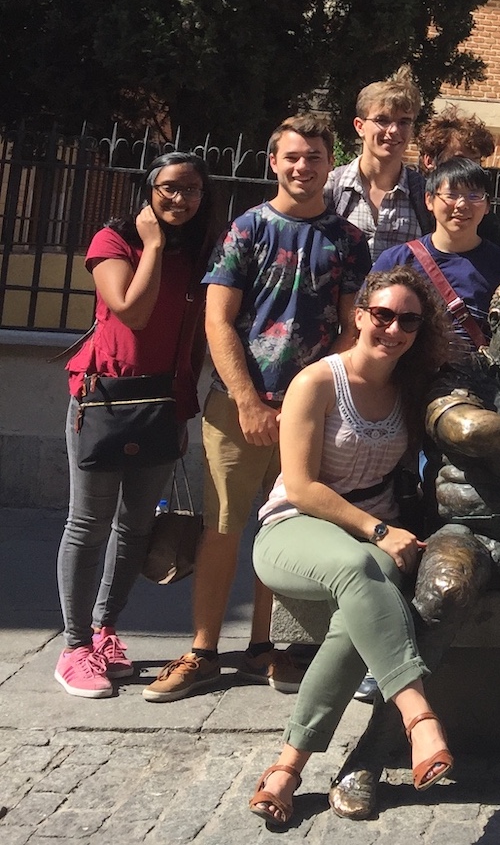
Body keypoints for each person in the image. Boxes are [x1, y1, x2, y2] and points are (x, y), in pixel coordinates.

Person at [328, 276, 500, 820]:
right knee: (442, 591)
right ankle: (377, 745)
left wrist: (496, 462)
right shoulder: (463, 372)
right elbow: (461, 427)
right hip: (465, 530)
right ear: (497, 325)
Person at [147, 114, 373, 703]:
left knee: (289, 528)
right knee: (223, 528)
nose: (304, 166)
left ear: (331, 164)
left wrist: (312, 398)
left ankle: (265, 647)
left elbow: (352, 325)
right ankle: (201, 649)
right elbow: (217, 319)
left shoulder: (348, 240)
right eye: (292, 156)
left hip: (311, 411)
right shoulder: (247, 229)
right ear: (274, 162)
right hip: (238, 405)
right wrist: (247, 398)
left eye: (315, 156)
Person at [246, 266, 455, 829]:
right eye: (382, 315)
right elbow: (303, 483)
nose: (392, 329)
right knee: (362, 569)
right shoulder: (316, 381)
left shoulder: (410, 390)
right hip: (294, 526)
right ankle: (417, 713)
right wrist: (379, 531)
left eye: (407, 320)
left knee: (355, 616)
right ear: (359, 315)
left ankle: (288, 766)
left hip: (369, 539)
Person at [56, 153, 215, 699]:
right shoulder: (113, 241)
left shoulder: (195, 255)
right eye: (169, 187)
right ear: (148, 189)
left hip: (160, 402)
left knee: (137, 527)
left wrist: (184, 401)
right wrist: (149, 244)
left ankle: (105, 631)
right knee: (89, 523)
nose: (180, 199)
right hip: (103, 396)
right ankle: (74, 647)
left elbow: (193, 333)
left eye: (192, 190)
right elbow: (131, 309)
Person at [374, 158, 500, 350]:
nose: (462, 204)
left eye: (474, 196)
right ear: (429, 200)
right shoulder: (396, 260)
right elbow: (369, 326)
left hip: (474, 378)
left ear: (488, 205)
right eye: (451, 194)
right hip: (407, 376)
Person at [325, 68, 430, 261]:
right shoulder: (332, 188)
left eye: (404, 122)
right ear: (359, 126)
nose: (393, 130)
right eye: (382, 120)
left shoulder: (423, 195)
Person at [415, 105, 500, 249]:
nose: (467, 168)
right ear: (429, 161)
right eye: (459, 159)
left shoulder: (484, 220)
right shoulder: (410, 203)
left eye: (475, 161)